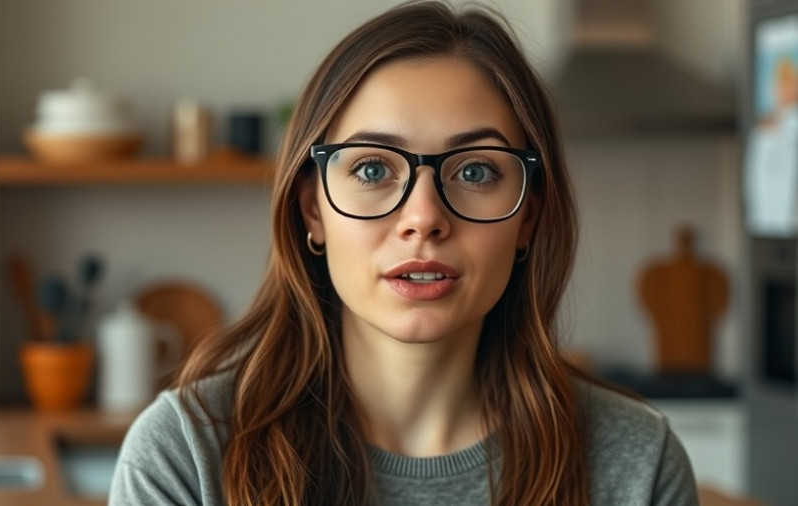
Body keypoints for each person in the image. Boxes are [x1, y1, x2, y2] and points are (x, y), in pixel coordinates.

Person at [109, 2, 698, 505]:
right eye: (371, 168)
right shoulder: (186, 454)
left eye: (474, 170)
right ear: (313, 209)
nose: (423, 218)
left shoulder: (637, 466)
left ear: (528, 217)